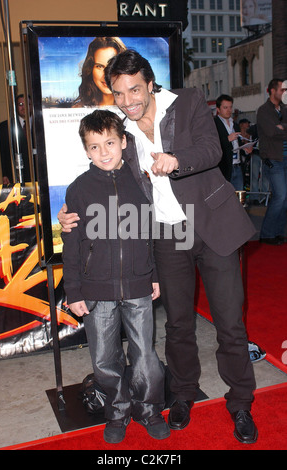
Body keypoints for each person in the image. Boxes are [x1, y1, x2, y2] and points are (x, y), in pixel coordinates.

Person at [59, 50, 258, 444]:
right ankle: (183, 394)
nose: (128, 100)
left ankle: (241, 403)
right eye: (119, 93)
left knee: (230, 323)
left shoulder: (187, 102)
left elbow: (212, 150)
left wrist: (175, 160)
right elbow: (106, 177)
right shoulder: (123, 133)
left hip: (211, 225)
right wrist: (70, 214)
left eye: (135, 89)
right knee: (179, 323)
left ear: (150, 83)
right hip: (168, 234)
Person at [62, 109, 169, 444]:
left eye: (110, 142)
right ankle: (117, 411)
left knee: (144, 353)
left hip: (138, 283)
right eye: (94, 146)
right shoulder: (78, 189)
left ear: (124, 141)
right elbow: (72, 245)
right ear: (86, 150)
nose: (104, 151)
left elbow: (148, 233)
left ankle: (148, 409)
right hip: (97, 290)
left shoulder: (140, 181)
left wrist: (152, 273)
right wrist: (74, 289)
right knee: (105, 357)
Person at [257, 78, 287, 245]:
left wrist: (281, 128)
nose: (284, 93)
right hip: (273, 159)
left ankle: (277, 233)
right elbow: (270, 132)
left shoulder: (284, 108)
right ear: (272, 91)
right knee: (280, 196)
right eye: (282, 90)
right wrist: (280, 128)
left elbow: (278, 131)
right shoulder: (263, 111)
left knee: (284, 198)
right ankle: (267, 234)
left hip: (284, 158)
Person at [72, 37, 126, 108]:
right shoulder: (78, 109)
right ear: (90, 69)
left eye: (112, 66)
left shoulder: (134, 109)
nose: (106, 75)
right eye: (100, 66)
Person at [0, 94, 32, 184]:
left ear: (31, 106)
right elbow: (2, 152)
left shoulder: (41, 125)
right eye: (20, 104)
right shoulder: (5, 127)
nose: (24, 107)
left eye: (27, 104)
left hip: (37, 175)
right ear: (15, 107)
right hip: (14, 176)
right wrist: (4, 174)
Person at [214, 95, 244, 190]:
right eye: (225, 107)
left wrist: (245, 149)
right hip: (223, 167)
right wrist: (227, 139)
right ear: (218, 109)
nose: (229, 110)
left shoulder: (235, 124)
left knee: (239, 198)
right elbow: (212, 145)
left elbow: (238, 144)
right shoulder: (213, 124)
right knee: (224, 197)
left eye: (230, 107)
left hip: (237, 165)